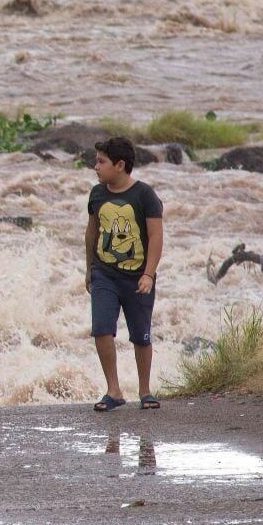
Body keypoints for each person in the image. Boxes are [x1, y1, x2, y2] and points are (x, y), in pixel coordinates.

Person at [87, 136, 165, 412]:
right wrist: (90, 270)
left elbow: (156, 237)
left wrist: (149, 274)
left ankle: (145, 391)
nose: (96, 167)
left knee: (140, 335)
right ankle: (114, 390)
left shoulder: (145, 195)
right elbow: (92, 232)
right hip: (104, 274)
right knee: (101, 330)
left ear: (120, 165)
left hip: (138, 277)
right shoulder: (97, 194)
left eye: (101, 162)